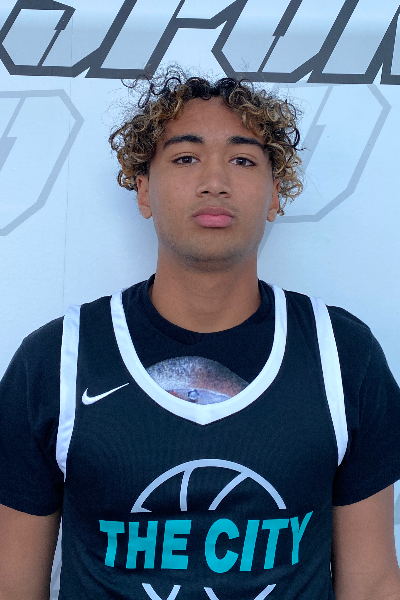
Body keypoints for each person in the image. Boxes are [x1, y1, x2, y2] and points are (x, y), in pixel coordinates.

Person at [1, 68, 400, 600]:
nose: (215, 181)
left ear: (275, 195)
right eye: (186, 158)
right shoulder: (57, 360)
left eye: (243, 160)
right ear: (143, 190)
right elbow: (12, 583)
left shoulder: (341, 354)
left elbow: (372, 583)